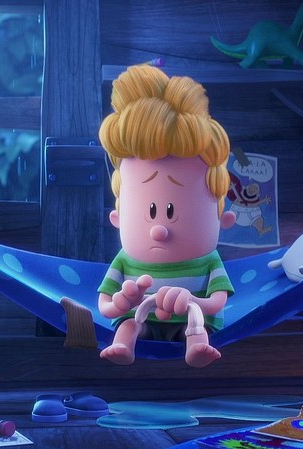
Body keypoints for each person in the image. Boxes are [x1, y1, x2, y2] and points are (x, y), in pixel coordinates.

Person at [96, 64, 236, 367]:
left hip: (190, 319)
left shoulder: (209, 262)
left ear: (222, 220)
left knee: (196, 328)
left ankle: (196, 348)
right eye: (150, 212)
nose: (159, 230)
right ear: (117, 218)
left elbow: (217, 302)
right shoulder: (124, 260)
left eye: (171, 212)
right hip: (140, 317)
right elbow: (104, 305)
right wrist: (120, 302)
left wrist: (191, 301)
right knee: (128, 324)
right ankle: (123, 346)